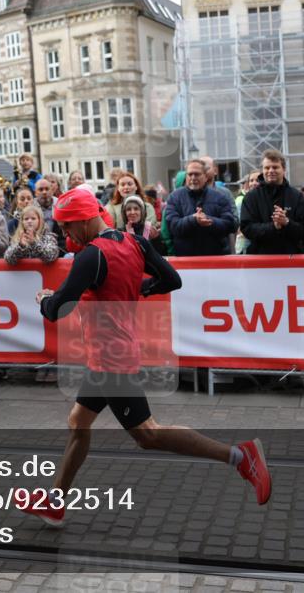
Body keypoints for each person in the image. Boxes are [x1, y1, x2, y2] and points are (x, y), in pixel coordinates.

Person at [15, 188, 272, 526]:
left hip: (112, 361)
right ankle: (55, 501)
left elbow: (58, 309)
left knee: (148, 434)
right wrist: (137, 288)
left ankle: (240, 457)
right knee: (78, 422)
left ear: (83, 219)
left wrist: (43, 298)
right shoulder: (133, 242)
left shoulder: (90, 256)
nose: (66, 235)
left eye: (67, 227)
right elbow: (171, 280)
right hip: (108, 355)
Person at [240, 150, 304, 255]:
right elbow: (247, 228)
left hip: (291, 259)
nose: (271, 170)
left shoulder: (297, 196)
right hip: (260, 259)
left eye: (275, 167)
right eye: (267, 168)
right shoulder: (251, 197)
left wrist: (287, 222)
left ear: (284, 169)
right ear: (262, 170)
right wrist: (273, 227)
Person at [163, 159, 236, 256]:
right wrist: (193, 220)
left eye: (197, 174)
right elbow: (172, 226)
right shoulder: (175, 197)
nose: (193, 178)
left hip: (215, 260)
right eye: (190, 174)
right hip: (185, 260)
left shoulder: (220, 197)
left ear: (206, 177)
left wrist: (209, 220)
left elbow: (230, 224)